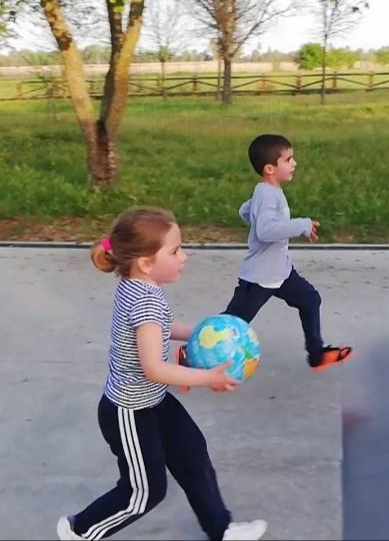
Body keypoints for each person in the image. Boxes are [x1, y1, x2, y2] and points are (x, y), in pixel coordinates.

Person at [57, 206, 267, 541]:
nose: (184, 256)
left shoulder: (138, 286)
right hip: (130, 412)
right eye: (175, 250)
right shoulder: (146, 301)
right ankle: (80, 531)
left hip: (152, 403)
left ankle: (221, 529)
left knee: (193, 455)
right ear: (146, 262)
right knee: (144, 492)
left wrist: (202, 332)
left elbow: (161, 329)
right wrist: (208, 377)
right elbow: (154, 368)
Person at [223, 134, 353, 371]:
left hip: (281, 272)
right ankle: (190, 355)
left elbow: (245, 211)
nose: (295, 164)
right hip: (260, 278)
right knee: (231, 326)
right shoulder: (266, 192)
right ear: (270, 168)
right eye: (288, 159)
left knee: (310, 300)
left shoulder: (266, 191)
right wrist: (301, 224)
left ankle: (316, 355)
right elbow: (264, 230)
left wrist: (254, 214)